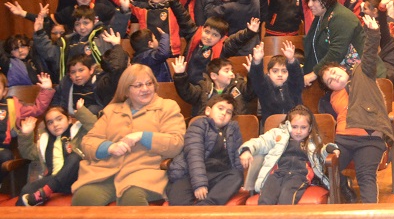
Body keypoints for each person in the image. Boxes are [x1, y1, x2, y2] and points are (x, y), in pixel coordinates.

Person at [72, 64, 185, 205]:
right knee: (84, 198)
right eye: (138, 85)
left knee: (132, 200)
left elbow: (176, 143)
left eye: (149, 84)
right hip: (105, 173)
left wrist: (142, 136)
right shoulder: (112, 110)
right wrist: (109, 147)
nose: (145, 89)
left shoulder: (167, 107)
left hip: (143, 174)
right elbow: (88, 141)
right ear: (126, 90)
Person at [319, 12, 394, 203]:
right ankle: (343, 186)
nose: (334, 78)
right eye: (329, 80)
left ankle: (370, 217)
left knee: (365, 177)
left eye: (335, 73)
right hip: (343, 140)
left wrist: (373, 33)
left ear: (343, 69)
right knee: (324, 171)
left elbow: (369, 55)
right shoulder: (332, 99)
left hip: (369, 138)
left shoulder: (362, 74)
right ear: (329, 87)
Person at [239, 105, 331, 204]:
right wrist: (246, 149)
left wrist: (331, 148)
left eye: (303, 127)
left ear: (310, 128)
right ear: (288, 125)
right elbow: (260, 142)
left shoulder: (313, 141)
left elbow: (323, 150)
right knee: (266, 198)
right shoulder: (278, 135)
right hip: (277, 172)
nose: (298, 131)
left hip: (300, 175)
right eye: (294, 127)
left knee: (286, 197)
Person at [165, 94, 245, 205]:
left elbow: (236, 158)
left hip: (217, 174)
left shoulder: (233, 130)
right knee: (178, 205)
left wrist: (245, 153)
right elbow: (194, 156)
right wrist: (199, 184)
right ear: (208, 111)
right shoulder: (198, 125)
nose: (224, 113)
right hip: (189, 173)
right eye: (220, 108)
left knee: (236, 176)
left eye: (228, 112)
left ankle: (205, 206)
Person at [15, 102, 97, 205]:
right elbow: (27, 153)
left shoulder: (79, 134)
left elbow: (96, 128)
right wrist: (26, 135)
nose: (55, 124)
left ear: (69, 119)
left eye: (59, 119)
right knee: (27, 189)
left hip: (76, 178)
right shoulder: (45, 142)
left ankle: (46, 192)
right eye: (50, 122)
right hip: (54, 179)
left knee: (75, 158)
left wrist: (81, 112)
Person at [302, 0, 365, 87]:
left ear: (325, 0)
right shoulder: (322, 15)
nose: (309, 4)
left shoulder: (341, 17)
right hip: (335, 74)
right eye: (308, 0)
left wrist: (314, 74)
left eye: (314, 0)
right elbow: (313, 46)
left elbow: (337, 52)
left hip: (355, 76)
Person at [1, 71, 55, 171]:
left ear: (4, 92)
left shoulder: (13, 106)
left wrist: (46, 90)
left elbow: (37, 109)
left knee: (6, 156)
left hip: (2, 148)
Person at [248, 39, 304, 121]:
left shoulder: (294, 86)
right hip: (272, 127)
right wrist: (257, 62)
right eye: (275, 71)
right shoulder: (264, 87)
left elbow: (297, 76)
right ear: (268, 73)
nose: (280, 74)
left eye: (284, 71)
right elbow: (257, 78)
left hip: (294, 125)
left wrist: (291, 60)